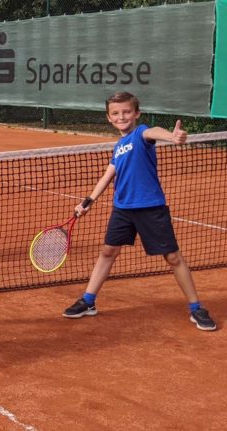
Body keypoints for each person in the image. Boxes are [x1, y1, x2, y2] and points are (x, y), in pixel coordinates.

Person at [62, 91, 217, 331]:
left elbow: (153, 132)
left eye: (126, 112)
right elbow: (108, 175)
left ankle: (196, 307)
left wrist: (172, 137)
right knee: (108, 252)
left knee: (173, 257)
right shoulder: (119, 146)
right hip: (122, 209)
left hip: (150, 208)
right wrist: (88, 200)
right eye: (116, 113)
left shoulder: (140, 134)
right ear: (109, 118)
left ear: (136, 114)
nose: (121, 117)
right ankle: (88, 300)